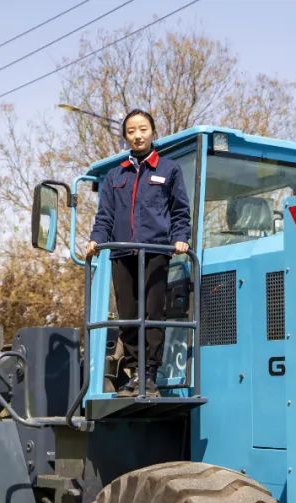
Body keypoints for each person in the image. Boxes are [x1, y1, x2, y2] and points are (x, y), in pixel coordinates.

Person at [86, 109, 191, 398]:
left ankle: (150, 375)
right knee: (129, 316)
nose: (137, 135)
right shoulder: (115, 175)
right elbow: (104, 216)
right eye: (131, 131)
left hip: (155, 251)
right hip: (122, 254)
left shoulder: (169, 169)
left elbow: (180, 211)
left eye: (143, 129)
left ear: (152, 132)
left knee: (152, 313)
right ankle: (134, 373)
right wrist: (96, 240)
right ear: (125, 136)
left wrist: (180, 238)